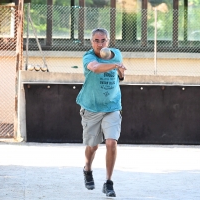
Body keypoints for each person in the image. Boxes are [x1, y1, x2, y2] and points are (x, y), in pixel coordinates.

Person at [76, 28, 126, 197]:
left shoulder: (116, 54)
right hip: (91, 107)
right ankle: (87, 169)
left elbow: (120, 76)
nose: (100, 44)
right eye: (96, 41)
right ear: (92, 42)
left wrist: (120, 71)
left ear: (108, 41)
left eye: (103, 40)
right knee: (93, 146)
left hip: (112, 106)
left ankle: (109, 182)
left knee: (111, 142)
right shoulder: (88, 57)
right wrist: (115, 66)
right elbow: (96, 68)